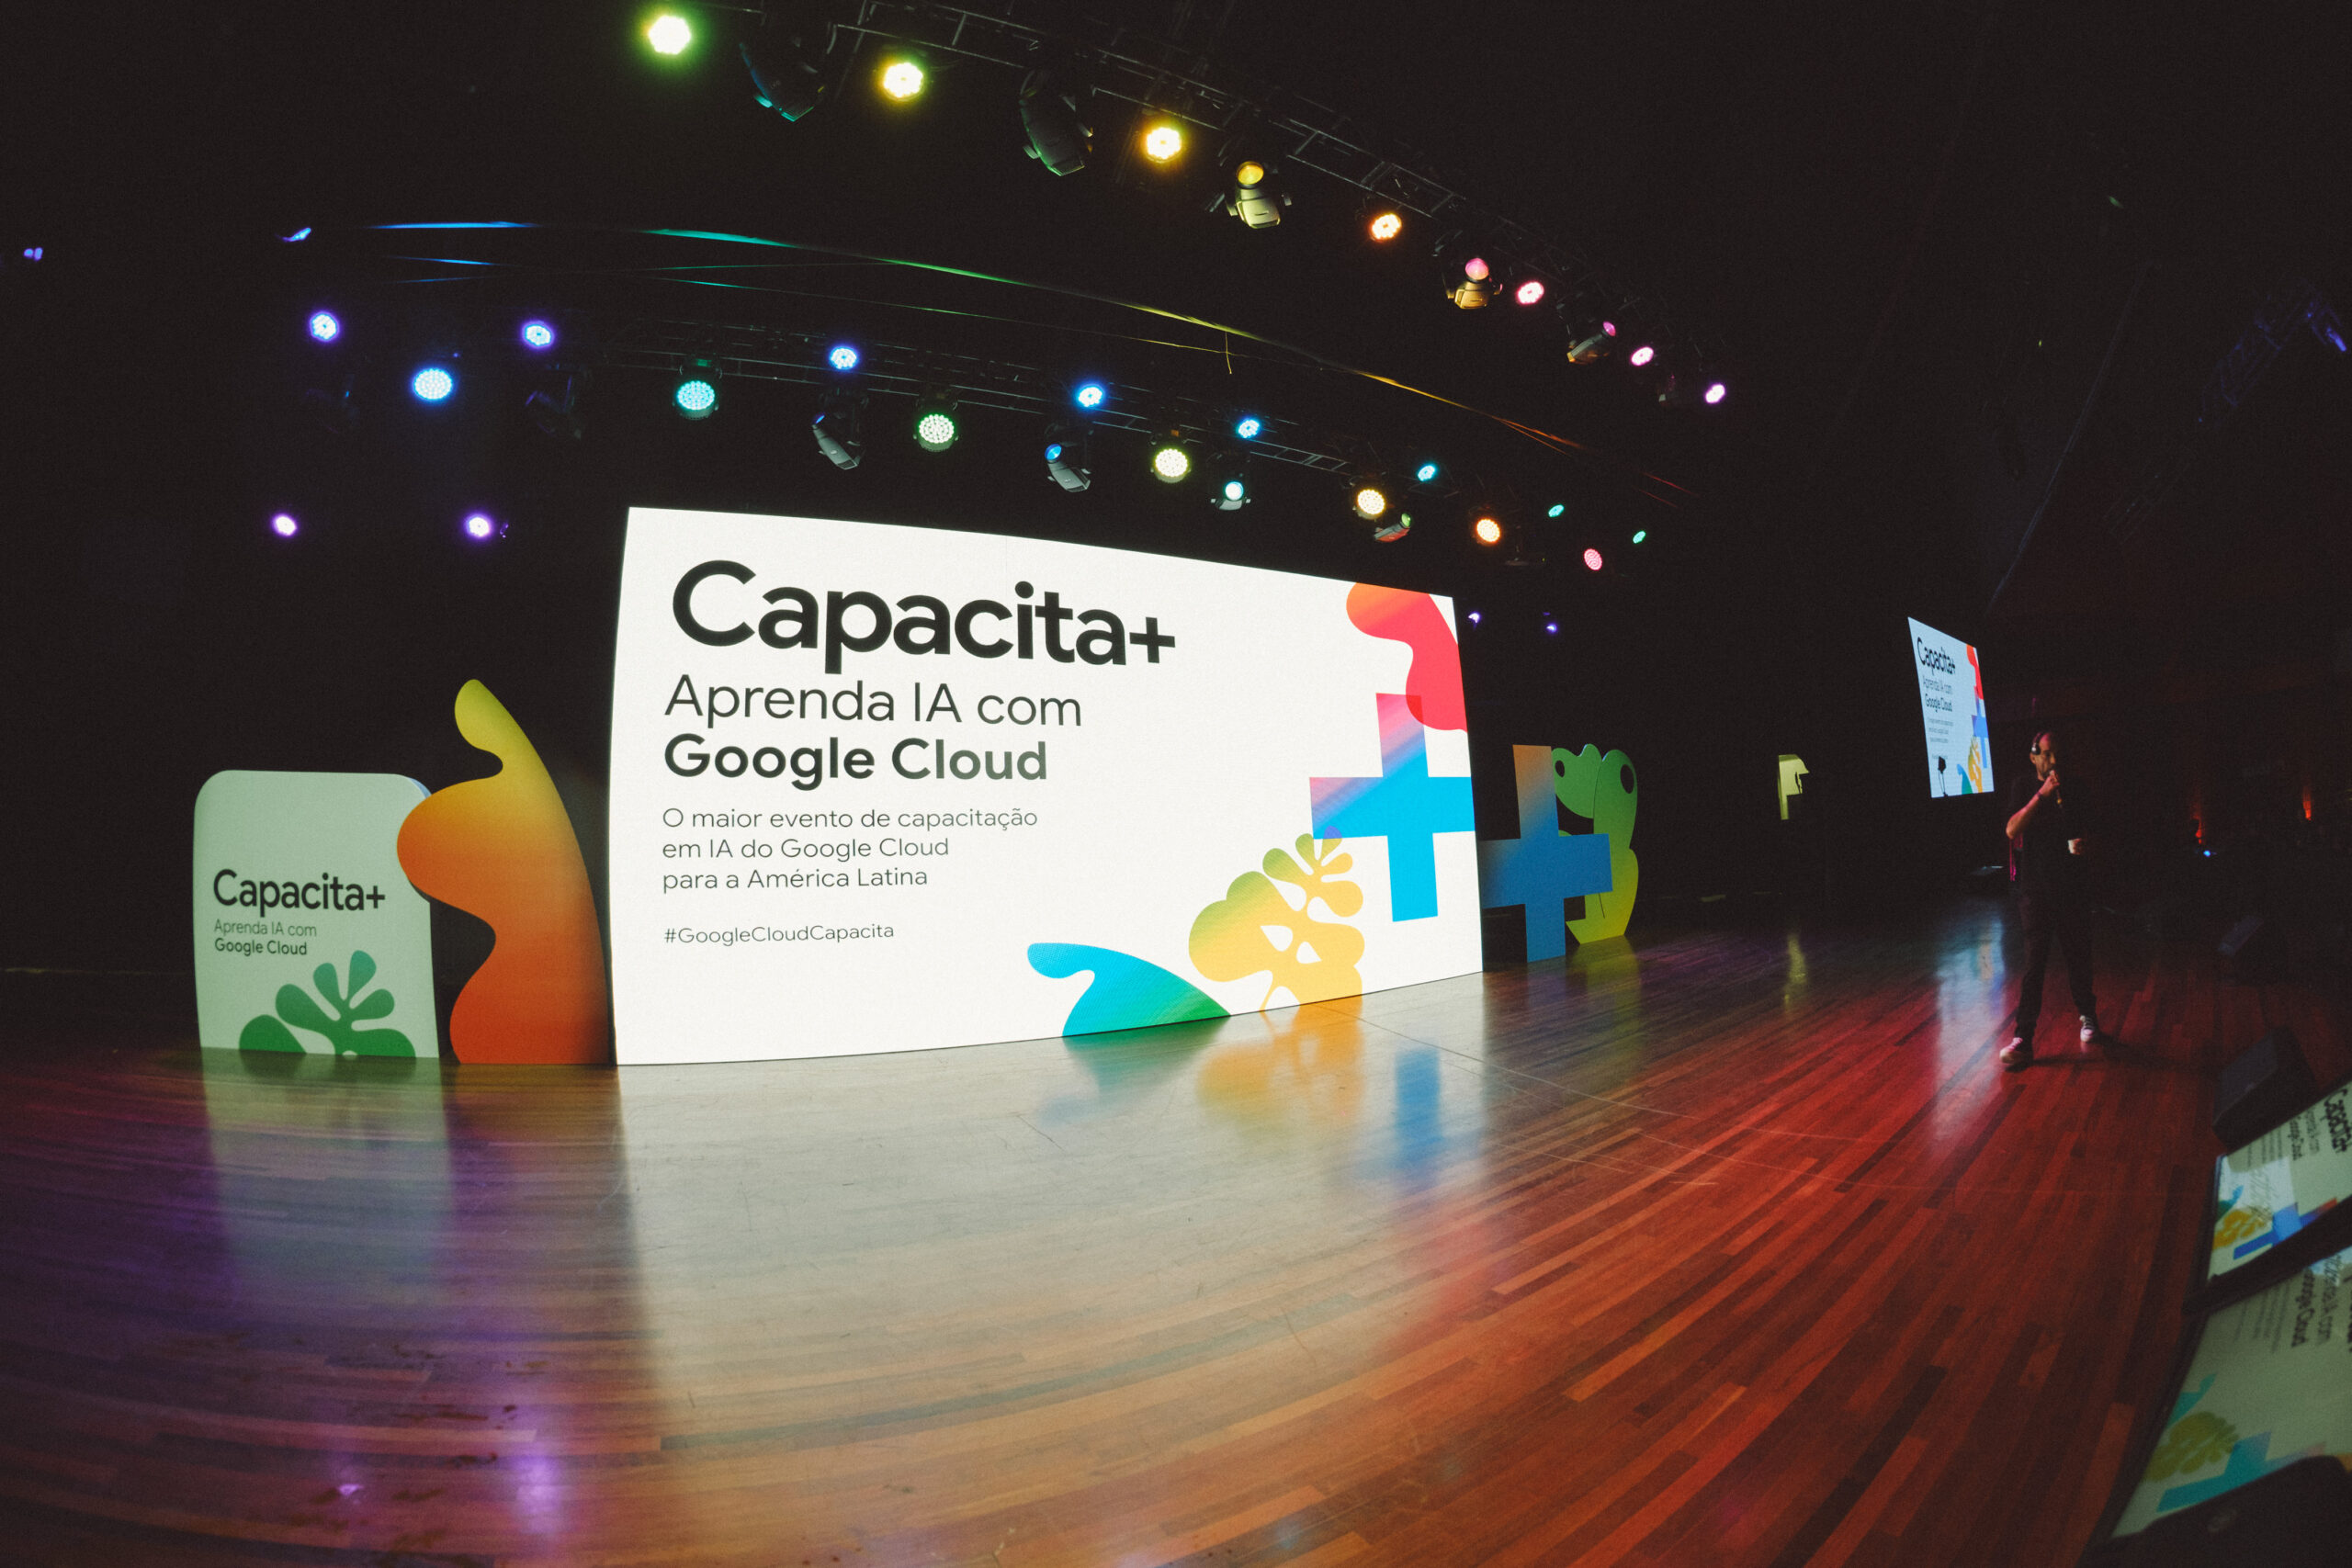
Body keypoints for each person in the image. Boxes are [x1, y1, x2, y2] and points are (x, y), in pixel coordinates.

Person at [2000, 731, 2098, 1070]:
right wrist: (2040, 796)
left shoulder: (2076, 787)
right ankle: (2023, 1038)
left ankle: (2088, 1015)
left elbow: (2089, 828)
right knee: (2034, 966)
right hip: (2035, 891)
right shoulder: (2023, 786)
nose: (2053, 761)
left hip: (2072, 888)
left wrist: (2084, 843)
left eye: (2057, 754)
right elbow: (2012, 829)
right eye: (2046, 754)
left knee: (2078, 957)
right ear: (2033, 756)